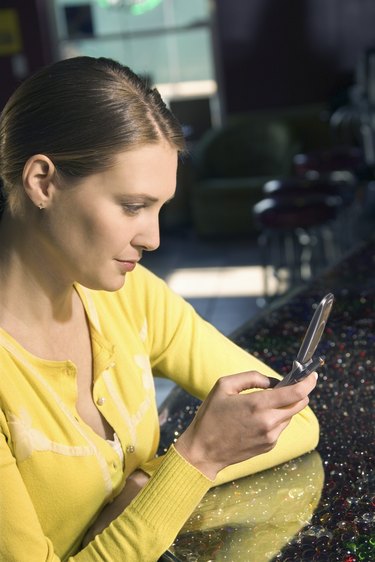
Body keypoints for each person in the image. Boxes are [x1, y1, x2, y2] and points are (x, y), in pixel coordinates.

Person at [0, 56, 319, 562]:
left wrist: (149, 484)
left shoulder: (131, 296)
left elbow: (295, 421)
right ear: (43, 182)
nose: (152, 237)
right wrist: (198, 456)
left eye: (159, 208)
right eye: (132, 206)